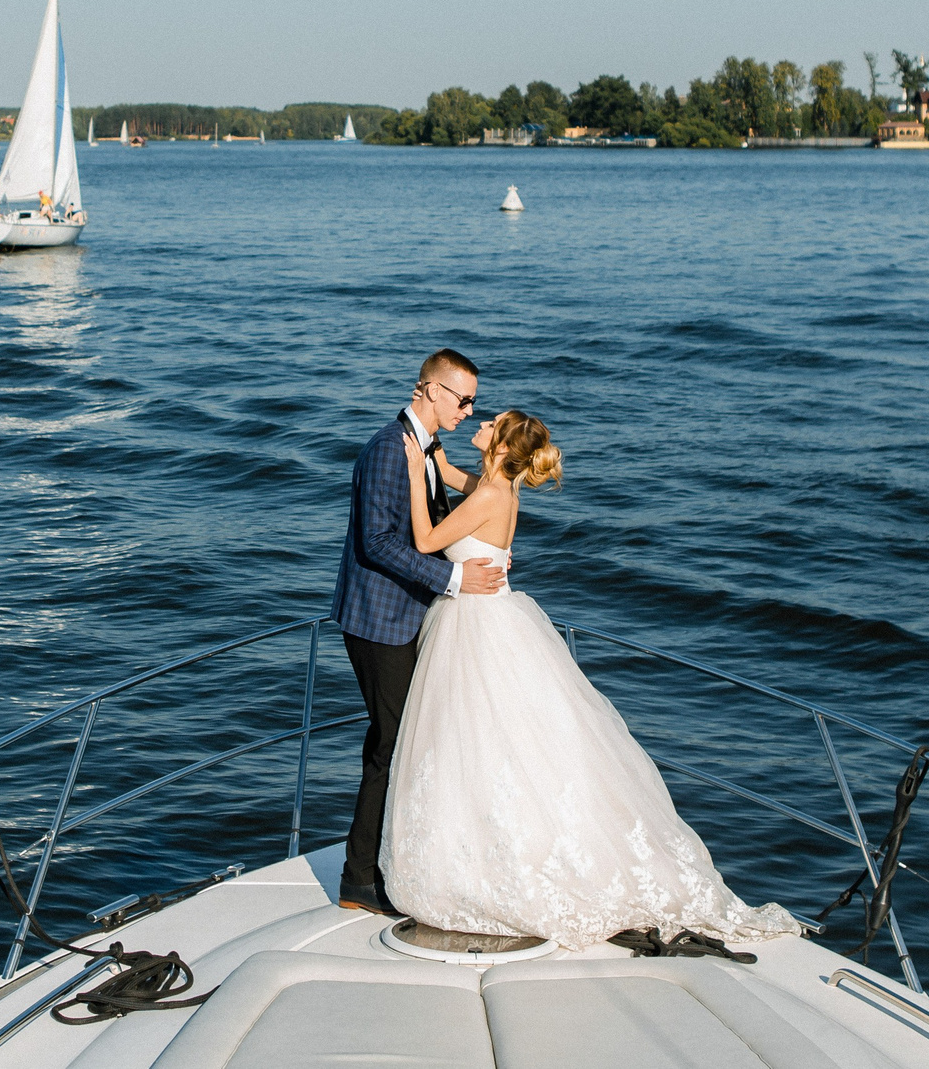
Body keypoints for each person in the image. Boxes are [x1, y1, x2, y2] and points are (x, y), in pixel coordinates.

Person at [378, 410, 800, 950]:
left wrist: (416, 479)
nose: (481, 421)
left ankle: (493, 859)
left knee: (479, 740)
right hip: (493, 619)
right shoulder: (496, 486)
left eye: (492, 422)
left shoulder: (491, 495)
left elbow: (426, 540)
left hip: (477, 626)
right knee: (498, 741)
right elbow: (463, 481)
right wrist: (434, 451)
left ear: (502, 447)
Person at [330, 349, 506, 916]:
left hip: (408, 616)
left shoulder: (426, 448)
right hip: (380, 621)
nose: (469, 410)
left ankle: (386, 863)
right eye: (464, 399)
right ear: (431, 390)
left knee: (401, 741)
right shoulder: (391, 449)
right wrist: (455, 578)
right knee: (393, 744)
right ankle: (361, 879)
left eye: (473, 401)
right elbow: (378, 543)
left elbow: (450, 513)